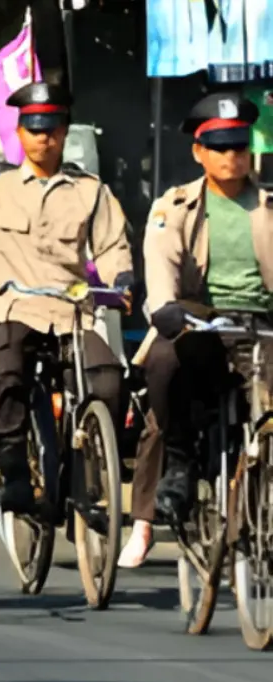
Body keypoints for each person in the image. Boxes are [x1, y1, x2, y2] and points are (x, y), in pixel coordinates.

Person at [0, 70, 133, 515]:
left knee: (108, 379)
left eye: (52, 130)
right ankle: (13, 462)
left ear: (63, 132)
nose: (44, 139)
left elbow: (113, 244)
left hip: (70, 308)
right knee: (6, 369)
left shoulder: (88, 190)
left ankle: (86, 481)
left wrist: (120, 280)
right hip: (11, 305)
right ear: (20, 132)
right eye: (35, 130)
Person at [119, 92, 271, 568]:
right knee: (169, 363)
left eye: (240, 146)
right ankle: (180, 462)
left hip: (262, 323)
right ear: (199, 152)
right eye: (221, 147)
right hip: (198, 318)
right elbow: (160, 259)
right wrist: (163, 308)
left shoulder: (269, 204)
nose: (232, 156)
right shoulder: (177, 205)